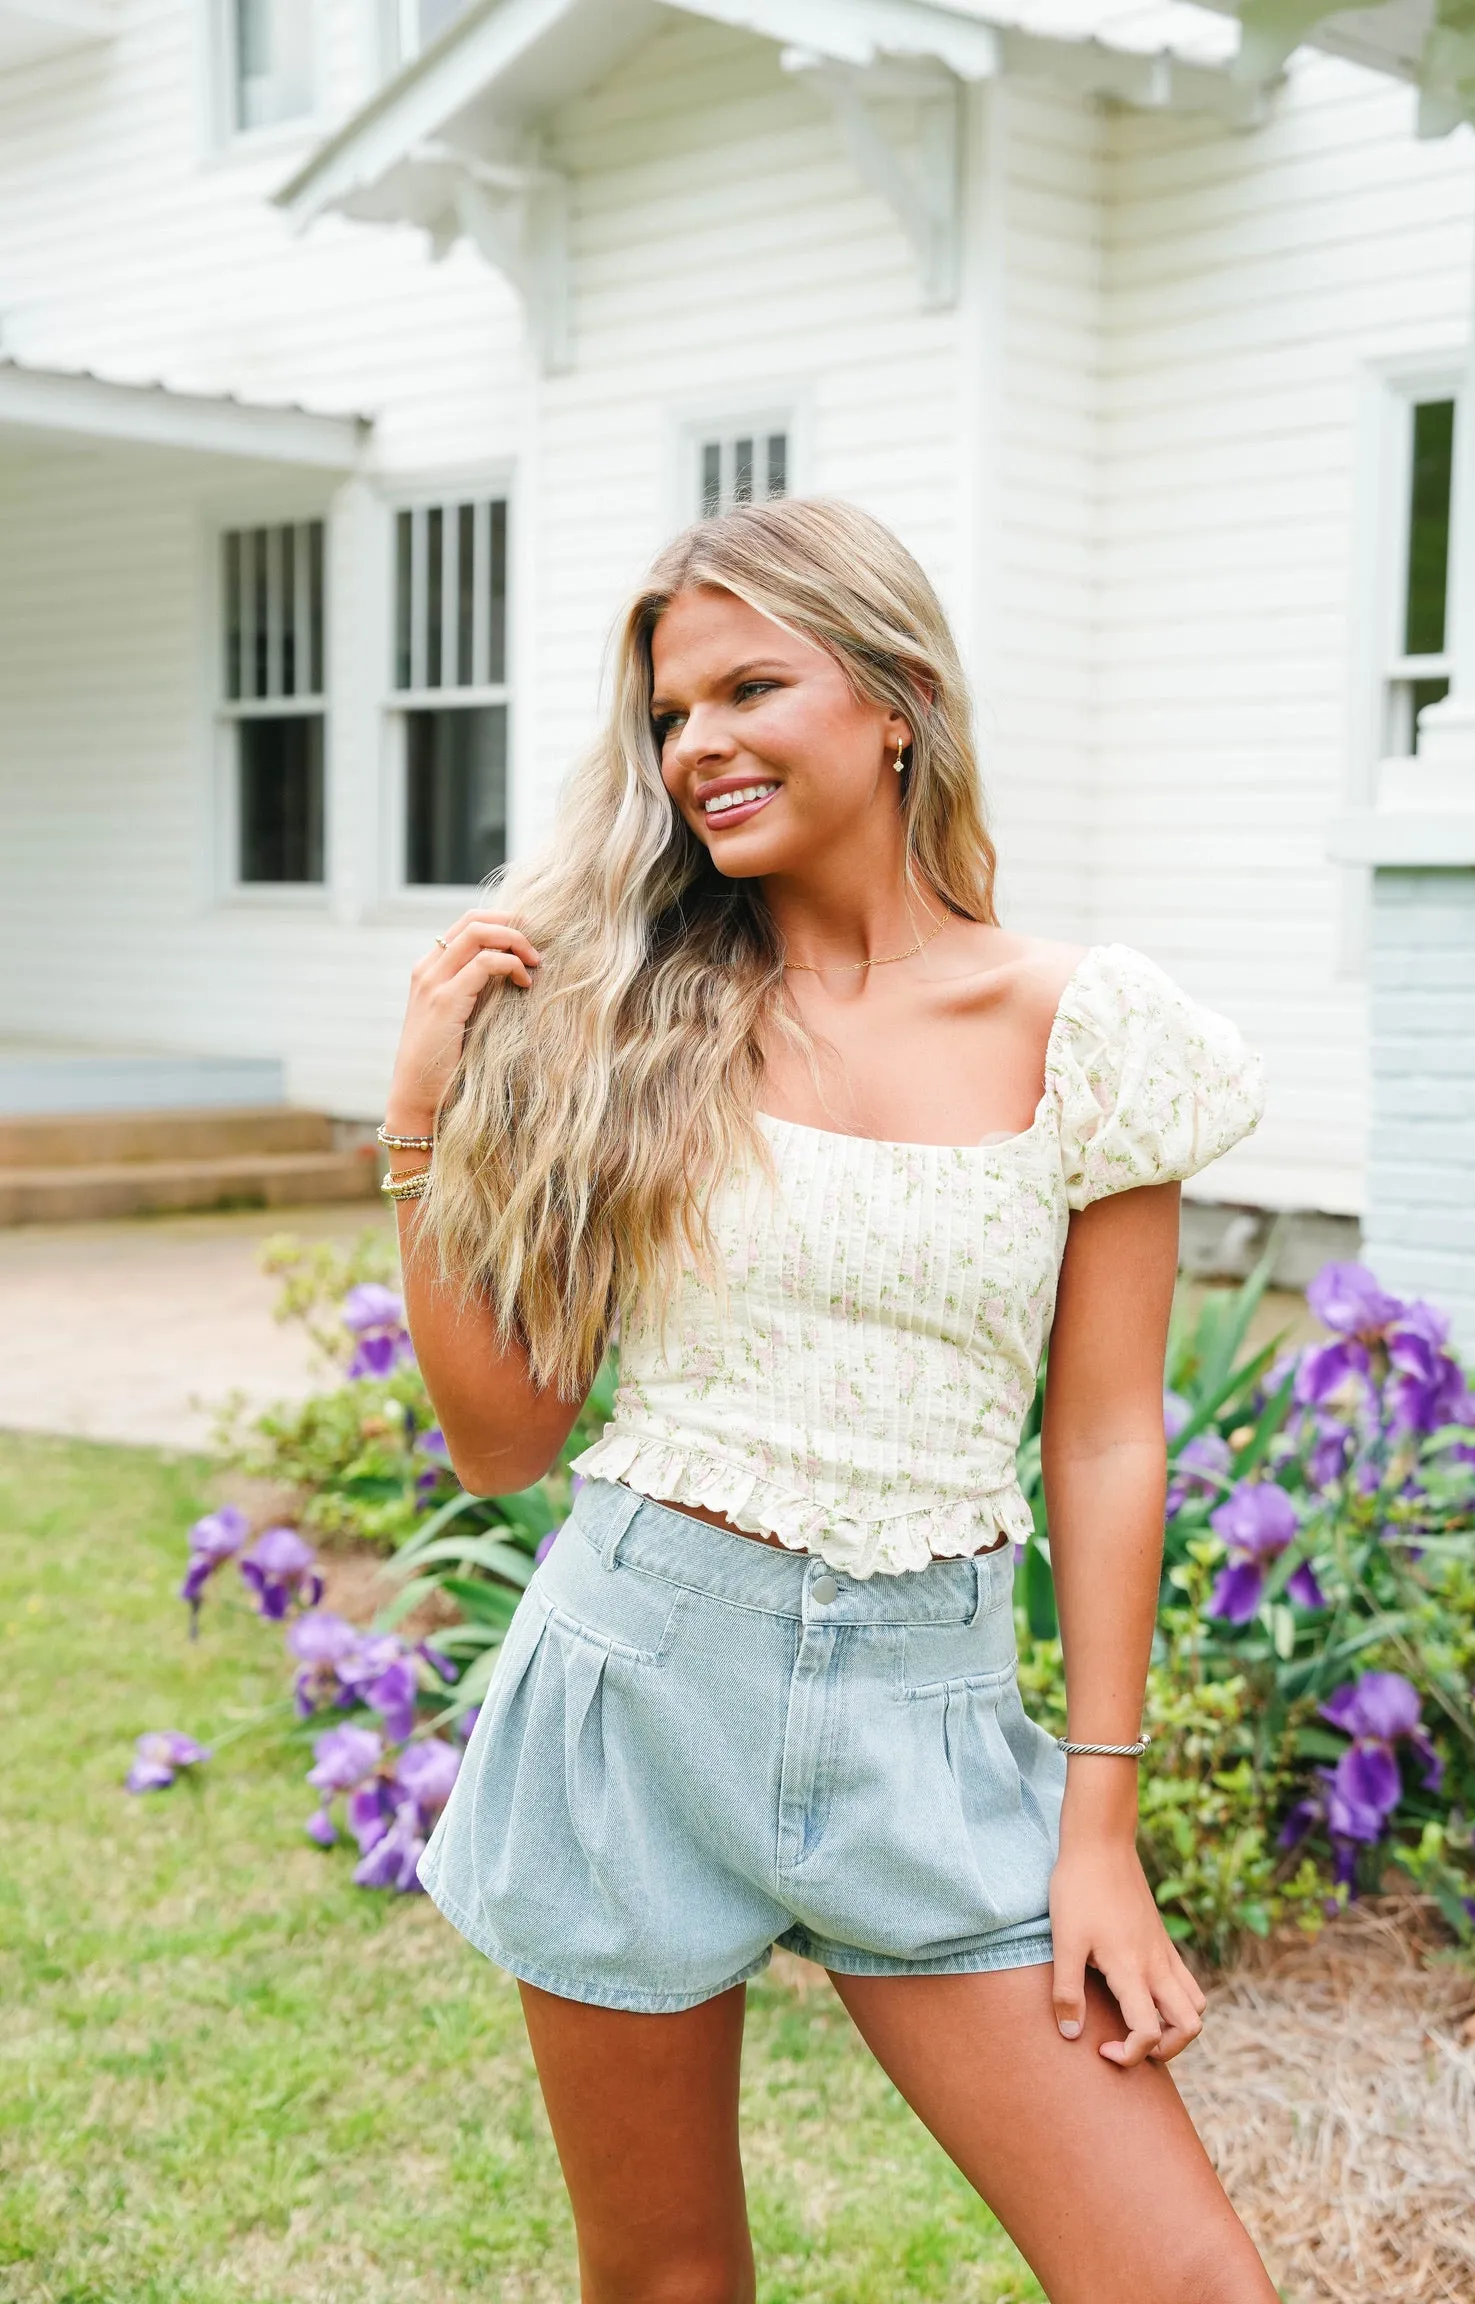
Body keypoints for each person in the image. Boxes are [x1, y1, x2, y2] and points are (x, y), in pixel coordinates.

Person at [379, 497, 1278, 2304]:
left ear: (894, 695)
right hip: (634, 1693)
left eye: (745, 686)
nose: (697, 742)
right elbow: (501, 1447)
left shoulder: (1091, 1027)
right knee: (668, 2287)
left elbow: (1106, 1439)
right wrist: (420, 1122)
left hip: (928, 1729)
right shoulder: (624, 1019)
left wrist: (1097, 1824)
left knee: (1185, 2286)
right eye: (667, 715)